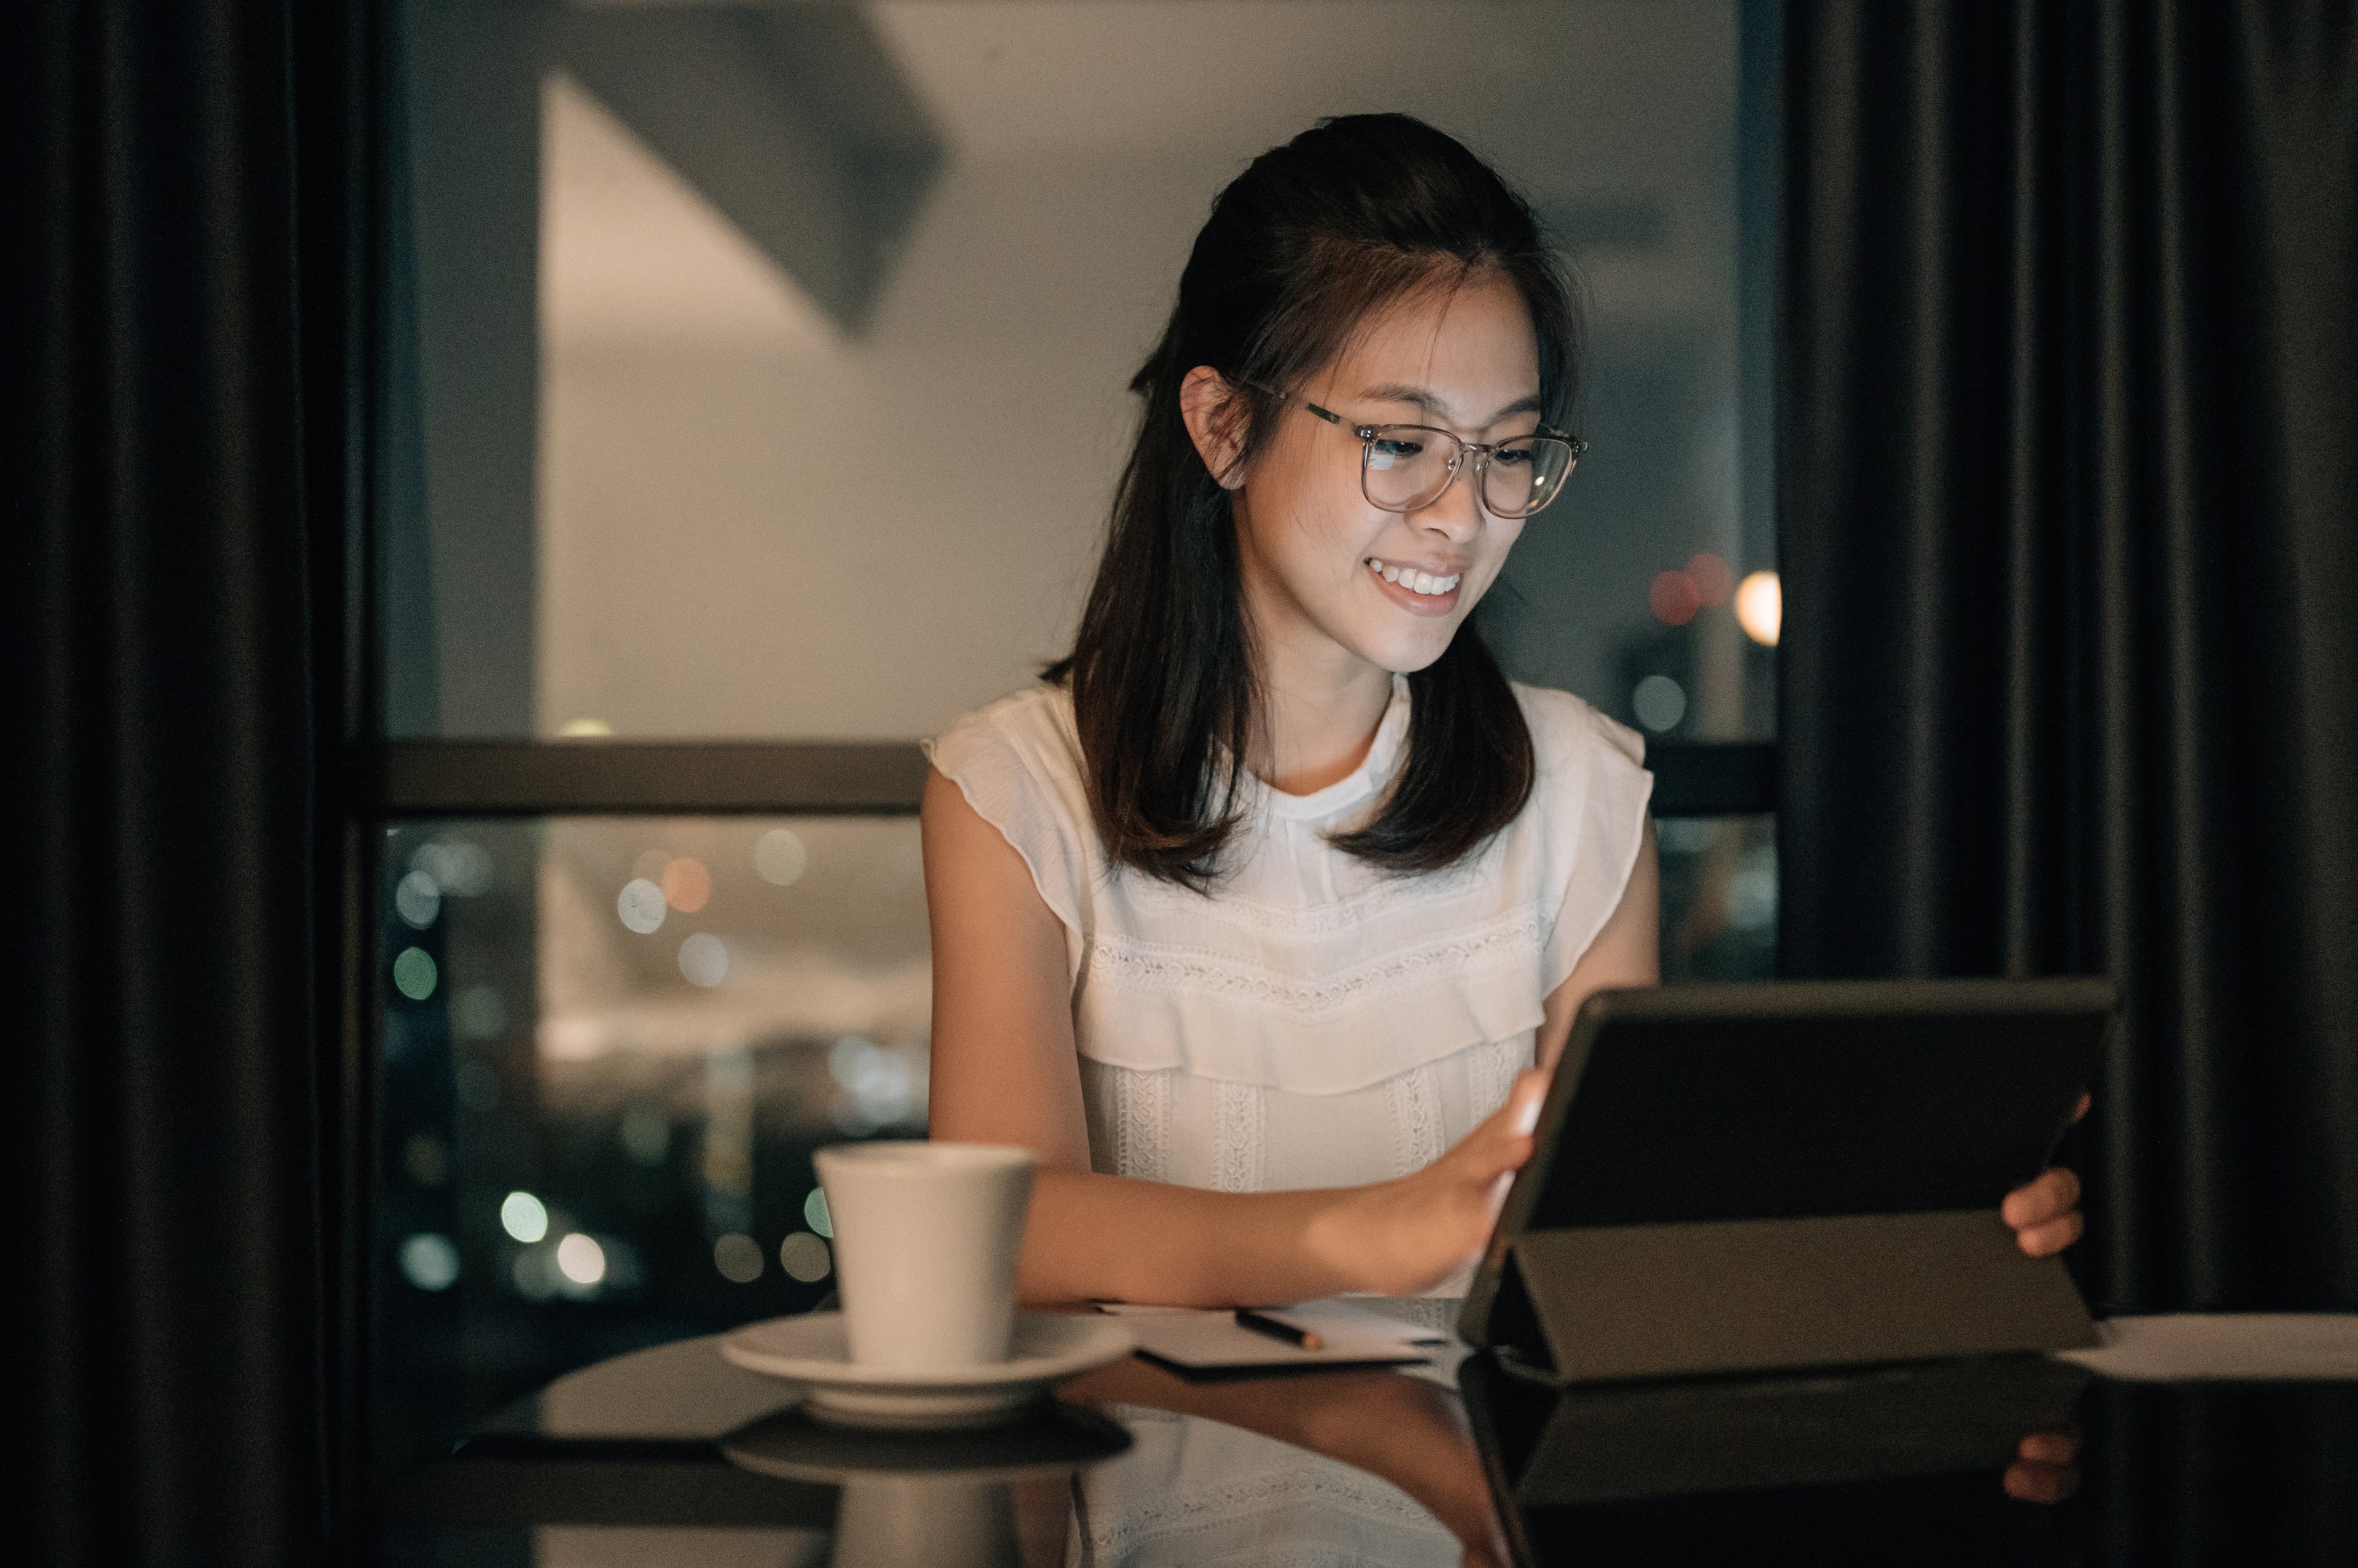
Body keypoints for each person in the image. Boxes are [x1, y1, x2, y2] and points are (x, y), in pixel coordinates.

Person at [922, 113, 2084, 1311]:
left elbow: (1608, 1260)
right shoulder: (1017, 791)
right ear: (1225, 427)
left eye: (1508, 451)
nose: (1462, 514)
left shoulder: (1573, 789)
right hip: (1140, 1444)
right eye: (1400, 440)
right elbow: (1008, 1227)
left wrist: (1913, 1225)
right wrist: (1371, 1233)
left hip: (1472, 1442)